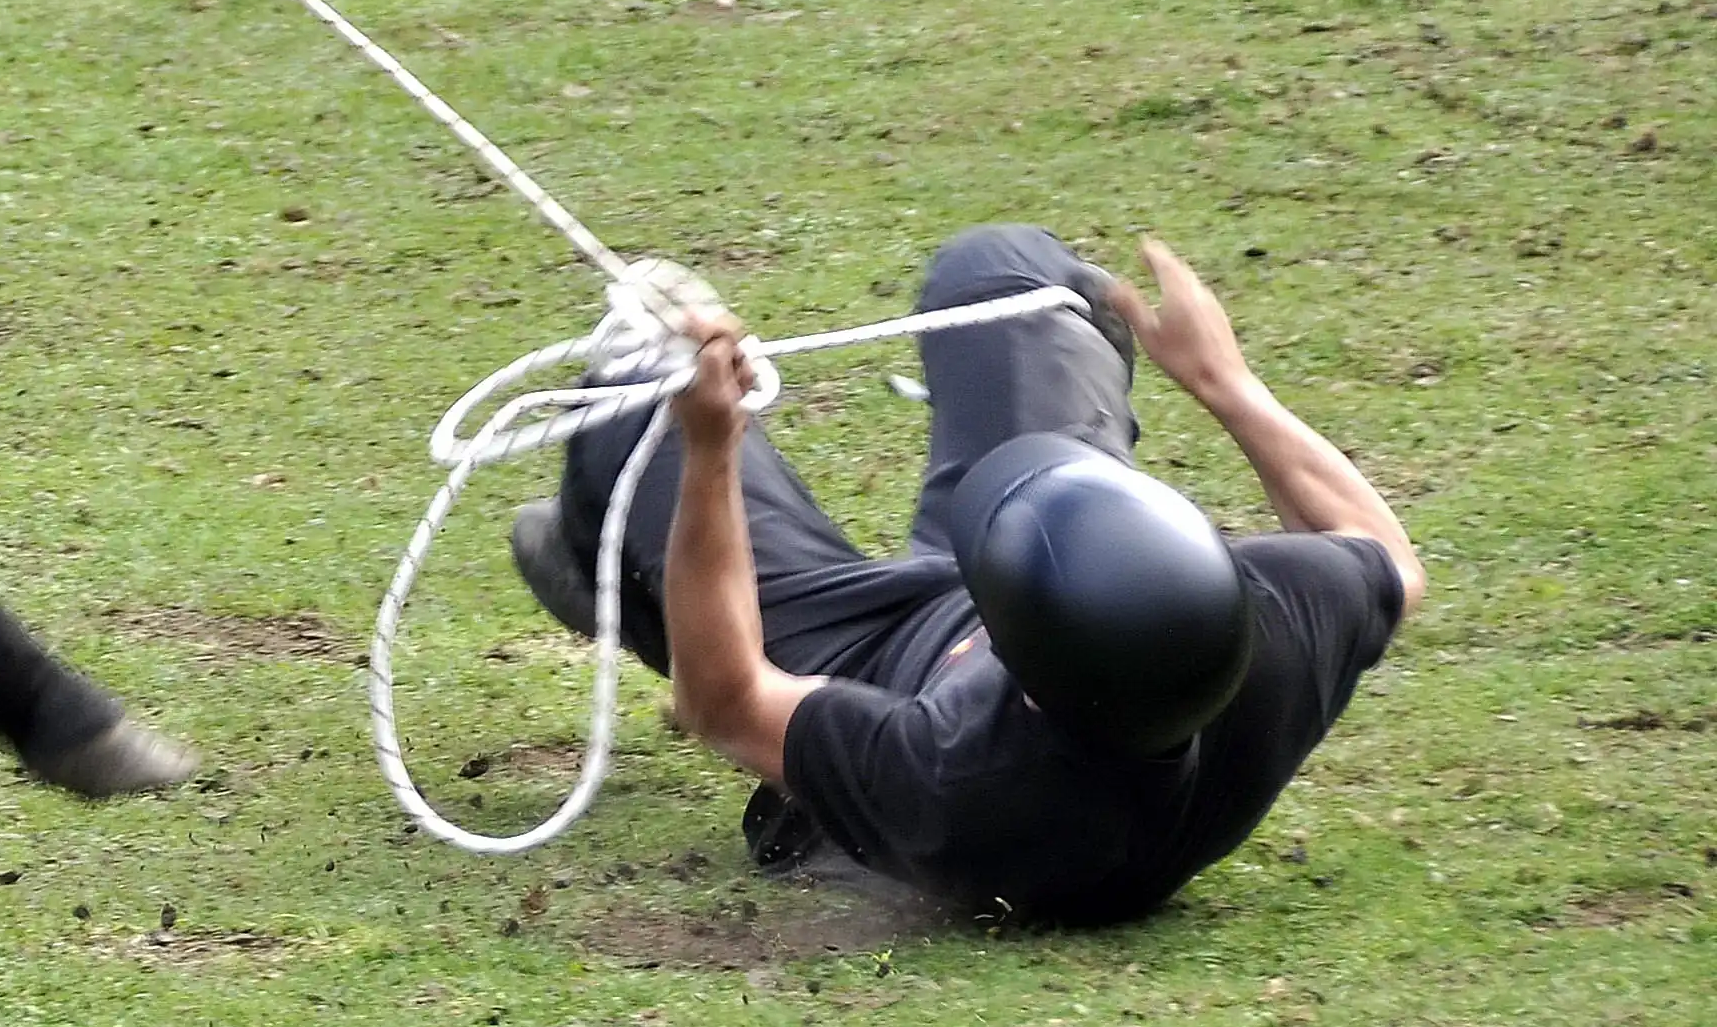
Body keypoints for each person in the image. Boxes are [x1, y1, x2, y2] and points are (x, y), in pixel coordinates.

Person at [512, 229, 1421, 927]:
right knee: (1011, 277)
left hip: (870, 661)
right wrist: (1225, 383)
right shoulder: (1239, 634)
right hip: (1053, 638)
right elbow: (1388, 560)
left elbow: (726, 701)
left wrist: (711, 449)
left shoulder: (961, 780)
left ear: (1004, 656)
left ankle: (625, 581)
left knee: (632, 402)